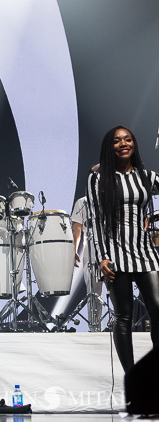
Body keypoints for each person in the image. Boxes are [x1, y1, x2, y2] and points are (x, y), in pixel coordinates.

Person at [87, 125, 159, 372]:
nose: (124, 143)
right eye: (117, 141)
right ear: (110, 147)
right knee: (124, 316)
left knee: (158, 310)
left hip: (145, 251)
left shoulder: (147, 177)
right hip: (115, 253)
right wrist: (102, 257)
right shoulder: (97, 178)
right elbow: (95, 219)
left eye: (128, 139)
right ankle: (133, 378)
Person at [71, 195, 104, 331]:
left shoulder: (114, 197)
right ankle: (95, 328)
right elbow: (77, 228)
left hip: (114, 247)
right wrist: (74, 250)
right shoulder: (82, 202)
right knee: (94, 292)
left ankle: (121, 325)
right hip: (91, 249)